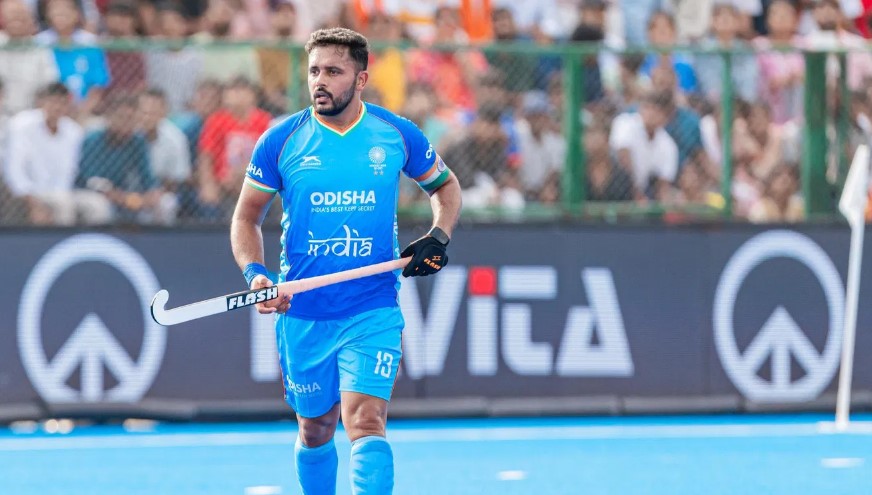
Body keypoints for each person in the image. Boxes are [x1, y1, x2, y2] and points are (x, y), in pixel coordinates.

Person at [230, 27, 462, 494]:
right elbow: (246, 218)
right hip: (304, 311)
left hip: (371, 307)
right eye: (314, 71)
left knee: (366, 420)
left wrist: (438, 236)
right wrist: (256, 274)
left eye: (333, 71)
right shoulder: (280, 140)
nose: (320, 81)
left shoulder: (395, 133)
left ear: (361, 79)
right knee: (316, 428)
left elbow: (446, 187)